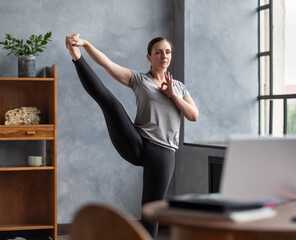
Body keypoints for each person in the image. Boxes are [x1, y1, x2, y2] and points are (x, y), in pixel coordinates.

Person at [65, 33, 198, 238]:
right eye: (158, 52)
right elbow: (108, 64)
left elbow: (193, 115)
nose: (164, 56)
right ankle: (76, 57)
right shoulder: (139, 79)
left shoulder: (179, 87)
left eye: (168, 52)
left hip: (163, 152)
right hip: (137, 141)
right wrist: (85, 45)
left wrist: (173, 95)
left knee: (151, 210)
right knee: (110, 104)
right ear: (149, 57)